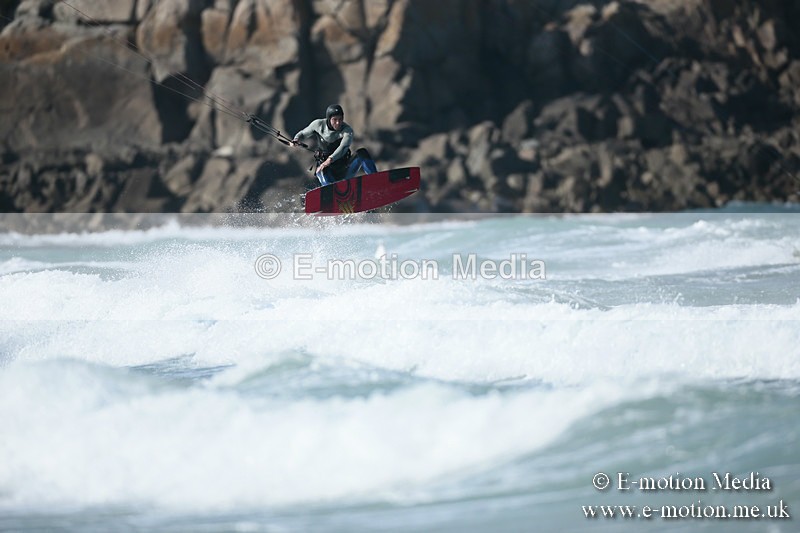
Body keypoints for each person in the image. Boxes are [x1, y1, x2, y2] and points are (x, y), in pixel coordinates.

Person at [291, 104, 377, 186]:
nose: (338, 123)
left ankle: (376, 181)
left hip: (345, 168)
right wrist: (296, 139)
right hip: (327, 171)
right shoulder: (318, 125)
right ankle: (331, 193)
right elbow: (303, 133)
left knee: (362, 153)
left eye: (340, 119)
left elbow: (343, 147)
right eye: (335, 120)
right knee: (322, 170)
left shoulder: (347, 130)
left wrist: (329, 160)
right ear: (329, 119)